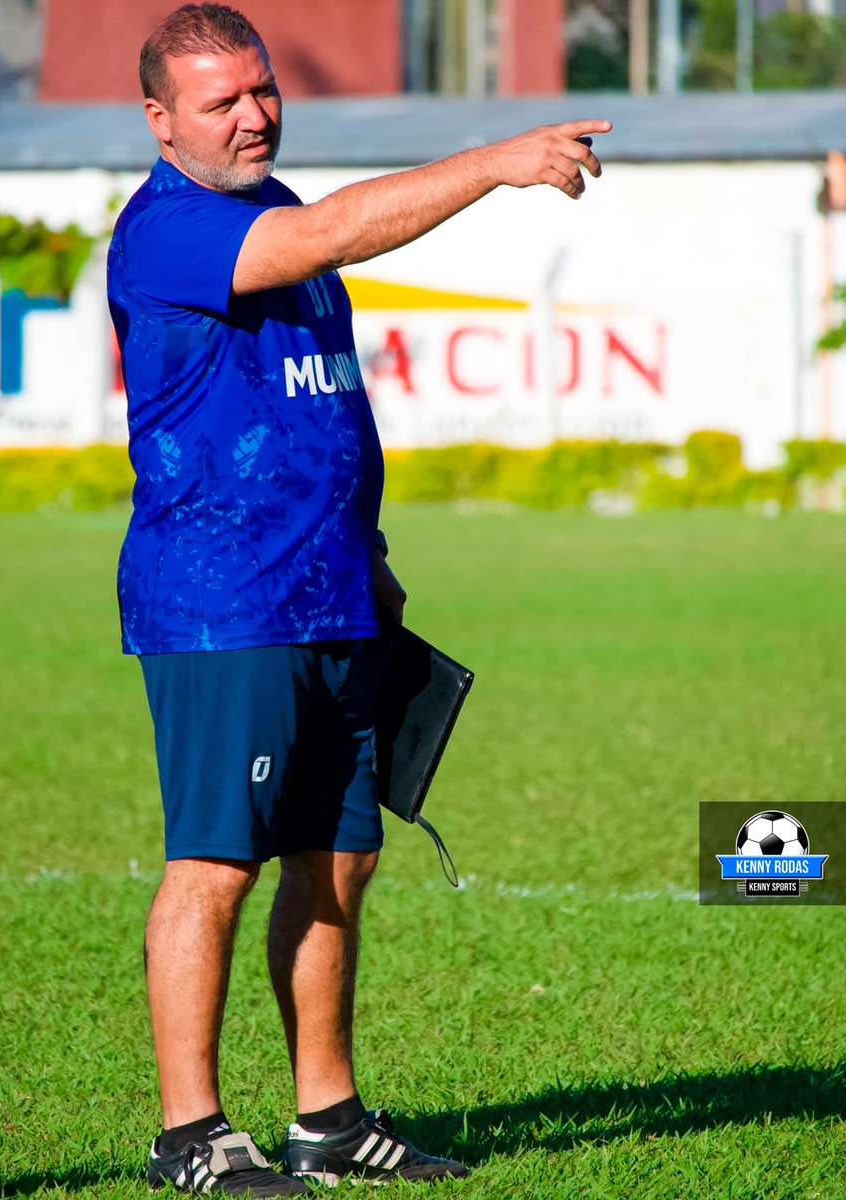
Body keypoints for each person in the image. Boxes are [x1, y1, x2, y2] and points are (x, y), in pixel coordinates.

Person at [107, 4, 610, 1195]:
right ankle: (190, 1133)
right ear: (160, 121)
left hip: (330, 590)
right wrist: (497, 160)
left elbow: (319, 402)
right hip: (225, 601)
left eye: (263, 89)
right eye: (222, 99)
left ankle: (324, 1119)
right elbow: (334, 233)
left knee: (338, 860)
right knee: (215, 863)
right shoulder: (167, 230)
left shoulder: (278, 212)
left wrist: (369, 556)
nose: (252, 114)